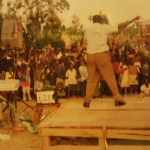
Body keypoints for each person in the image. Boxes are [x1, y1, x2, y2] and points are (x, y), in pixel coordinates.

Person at [84, 15, 140, 108]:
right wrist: (133, 19)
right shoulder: (104, 27)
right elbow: (121, 25)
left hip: (90, 56)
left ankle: (87, 101)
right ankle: (118, 99)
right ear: (101, 21)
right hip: (101, 55)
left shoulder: (88, 29)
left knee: (91, 79)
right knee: (110, 77)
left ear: (93, 21)